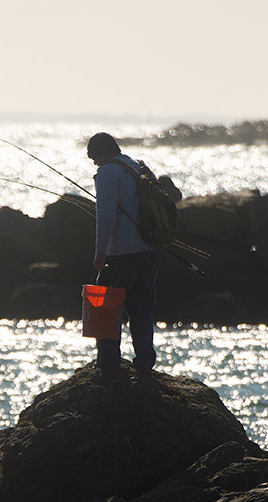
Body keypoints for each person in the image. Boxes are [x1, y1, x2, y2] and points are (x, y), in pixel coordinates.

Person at [87, 132, 163, 376]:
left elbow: (106, 216)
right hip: (149, 249)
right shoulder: (135, 166)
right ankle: (144, 362)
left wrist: (100, 252)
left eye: (93, 158)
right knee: (141, 307)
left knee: (104, 307)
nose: (94, 163)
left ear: (97, 153)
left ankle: (108, 364)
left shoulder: (108, 172)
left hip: (121, 253)